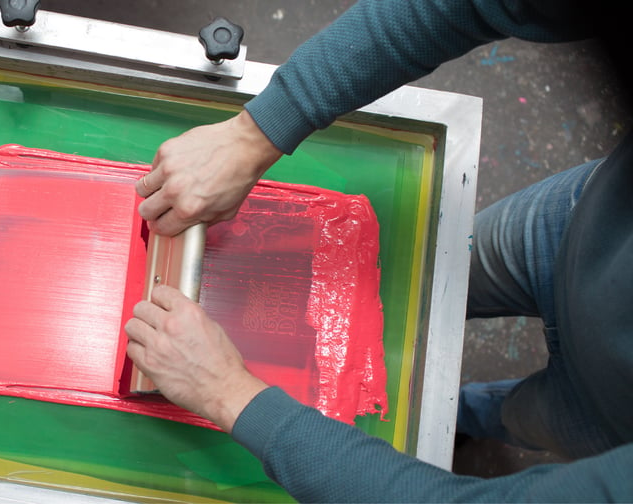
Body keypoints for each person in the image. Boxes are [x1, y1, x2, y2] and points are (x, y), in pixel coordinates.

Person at [124, 0, 633, 500]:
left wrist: (226, 393)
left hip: (607, 417)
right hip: (582, 224)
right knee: (444, 277)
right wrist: (253, 135)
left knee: (526, 417)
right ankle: (461, 411)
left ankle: (468, 417)